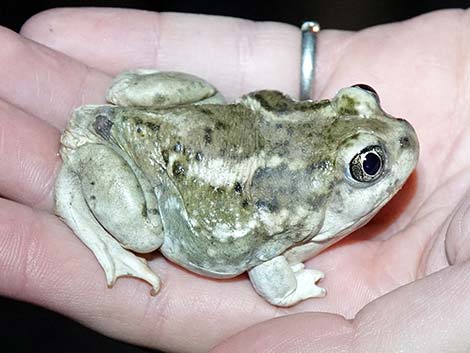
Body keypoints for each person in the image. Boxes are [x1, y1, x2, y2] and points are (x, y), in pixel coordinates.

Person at [0, 7, 469, 353]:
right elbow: (269, 273)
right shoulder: (300, 210)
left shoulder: (300, 194)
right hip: (156, 163)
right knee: (143, 234)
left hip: (191, 126)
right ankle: (78, 192)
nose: (401, 134)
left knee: (208, 94)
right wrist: (291, 290)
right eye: (369, 165)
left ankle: (126, 110)